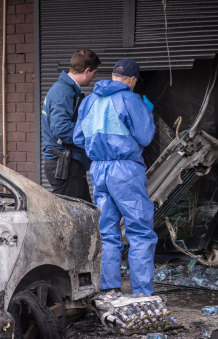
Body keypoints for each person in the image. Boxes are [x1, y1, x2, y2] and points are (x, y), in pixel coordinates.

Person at [73, 58, 158, 295]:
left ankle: (109, 290)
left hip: (99, 170)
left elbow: (79, 138)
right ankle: (142, 291)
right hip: (125, 170)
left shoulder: (89, 101)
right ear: (132, 80)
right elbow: (145, 137)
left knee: (107, 231)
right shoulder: (131, 99)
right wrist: (146, 113)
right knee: (139, 231)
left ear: (112, 76)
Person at [41, 48, 101, 202]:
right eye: (94, 73)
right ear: (87, 70)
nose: (94, 77)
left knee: (84, 211)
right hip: (64, 165)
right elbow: (61, 129)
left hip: (67, 163)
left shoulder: (64, 90)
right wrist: (90, 138)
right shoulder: (63, 92)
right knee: (73, 217)